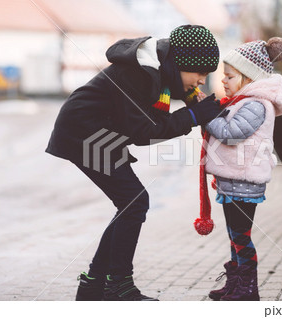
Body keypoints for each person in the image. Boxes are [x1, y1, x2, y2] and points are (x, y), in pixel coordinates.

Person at [45, 25, 225, 301]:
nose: (202, 80)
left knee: (131, 202)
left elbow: (152, 120)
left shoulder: (158, 72)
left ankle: (95, 285)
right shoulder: (139, 74)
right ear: (180, 63)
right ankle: (117, 284)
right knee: (134, 201)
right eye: (200, 72)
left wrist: (194, 108)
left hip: (97, 132)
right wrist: (192, 116)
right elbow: (144, 131)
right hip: (84, 132)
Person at [198, 37, 282, 301]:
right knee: (235, 235)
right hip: (234, 183)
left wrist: (206, 116)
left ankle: (248, 288)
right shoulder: (242, 102)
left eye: (229, 76)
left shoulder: (255, 104)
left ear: (248, 78)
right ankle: (237, 282)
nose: (223, 80)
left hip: (244, 185)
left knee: (241, 235)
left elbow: (231, 133)